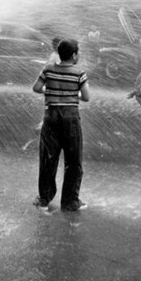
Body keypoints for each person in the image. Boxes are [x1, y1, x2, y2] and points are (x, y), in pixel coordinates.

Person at [32, 39, 90, 212]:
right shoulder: (79, 73)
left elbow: (36, 88)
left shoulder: (48, 69)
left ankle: (44, 199)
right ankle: (71, 201)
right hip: (70, 119)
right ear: (73, 55)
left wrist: (49, 91)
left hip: (51, 118)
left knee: (48, 159)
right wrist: (73, 94)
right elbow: (86, 97)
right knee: (73, 161)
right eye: (78, 52)